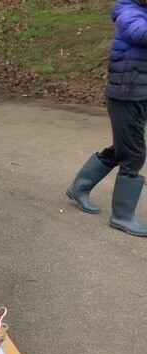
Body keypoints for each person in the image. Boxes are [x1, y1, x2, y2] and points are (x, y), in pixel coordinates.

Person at [66, 0, 147, 237]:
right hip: (125, 96)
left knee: (124, 147)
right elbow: (141, 34)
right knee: (133, 153)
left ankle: (79, 187)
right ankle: (122, 216)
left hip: (138, 94)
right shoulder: (128, 12)